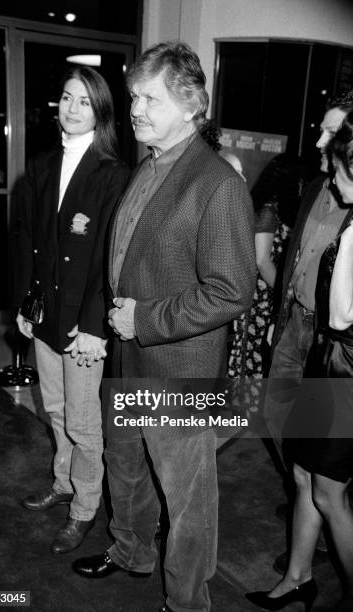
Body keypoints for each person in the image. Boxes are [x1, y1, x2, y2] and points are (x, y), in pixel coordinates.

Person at [72, 41, 256, 612]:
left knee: (189, 501)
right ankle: (131, 552)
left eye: (149, 98)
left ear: (191, 102)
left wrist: (143, 320)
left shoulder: (218, 184)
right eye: (133, 97)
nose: (135, 109)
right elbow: (126, 254)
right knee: (124, 468)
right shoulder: (149, 165)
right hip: (131, 359)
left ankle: (186, 601)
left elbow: (232, 291)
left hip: (182, 373)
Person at [14, 65, 129, 554]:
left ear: (100, 111)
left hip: (84, 323)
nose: (72, 108)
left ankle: (85, 508)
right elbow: (27, 241)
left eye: (83, 100)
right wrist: (25, 302)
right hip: (45, 315)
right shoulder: (40, 166)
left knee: (84, 423)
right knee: (56, 410)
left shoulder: (113, 175)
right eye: (66, 98)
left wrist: (94, 326)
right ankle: (63, 483)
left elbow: (111, 258)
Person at [246, 110, 353, 612]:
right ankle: (299, 573)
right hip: (303, 332)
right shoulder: (316, 186)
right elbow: (294, 259)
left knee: (327, 481)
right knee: (298, 457)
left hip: (338, 352)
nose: (319, 136)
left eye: (332, 130)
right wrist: (282, 312)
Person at [228, 154, 307, 410]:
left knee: (258, 354)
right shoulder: (268, 209)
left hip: (266, 295)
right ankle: (241, 409)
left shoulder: (276, 208)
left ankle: (249, 409)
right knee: (248, 355)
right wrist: (284, 294)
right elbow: (262, 260)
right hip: (258, 296)